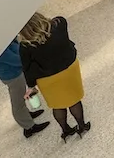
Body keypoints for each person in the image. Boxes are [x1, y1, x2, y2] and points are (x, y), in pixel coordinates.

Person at [18, 12, 89, 140]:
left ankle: (66, 130)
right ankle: (82, 126)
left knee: (58, 105)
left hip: (47, 79)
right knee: (74, 100)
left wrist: (31, 86)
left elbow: (27, 68)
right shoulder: (60, 24)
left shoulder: (25, 46)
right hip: (68, 70)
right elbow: (57, 19)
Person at [0, 39, 48, 138]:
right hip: (13, 76)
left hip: (16, 73)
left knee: (21, 96)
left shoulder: (6, 42)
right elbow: (16, 60)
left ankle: (26, 114)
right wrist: (31, 58)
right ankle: (29, 127)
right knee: (18, 102)